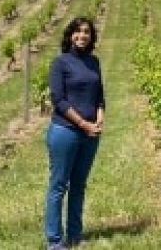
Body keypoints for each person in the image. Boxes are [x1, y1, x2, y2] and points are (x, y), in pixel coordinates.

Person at [44, 17, 105, 249]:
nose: (82, 36)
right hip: (65, 131)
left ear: (91, 36)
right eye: (78, 32)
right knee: (59, 186)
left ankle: (74, 236)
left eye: (86, 32)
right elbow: (58, 100)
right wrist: (83, 123)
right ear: (70, 35)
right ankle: (55, 241)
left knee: (79, 185)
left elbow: (100, 96)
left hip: (90, 134)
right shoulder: (61, 63)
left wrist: (100, 118)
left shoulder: (94, 62)